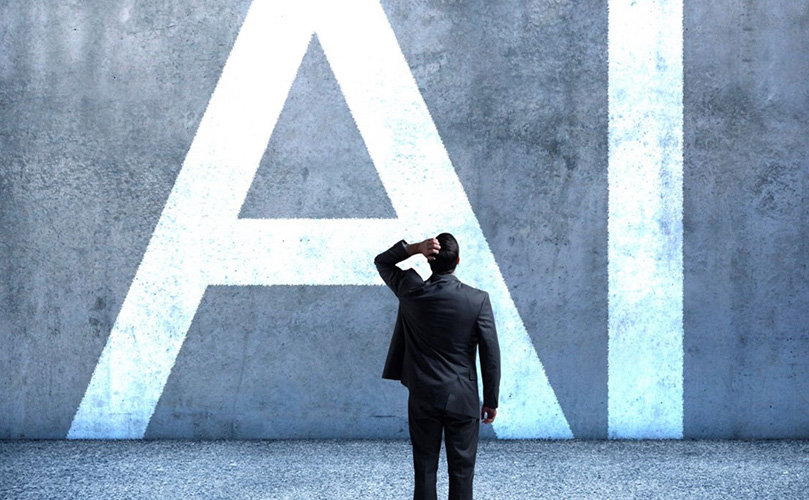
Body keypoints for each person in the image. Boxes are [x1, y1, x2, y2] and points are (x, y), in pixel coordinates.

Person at [375, 233, 501, 500]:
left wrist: (414, 248)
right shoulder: (478, 300)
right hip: (463, 397)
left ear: (429, 261)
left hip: (423, 396)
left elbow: (383, 262)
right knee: (462, 474)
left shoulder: (411, 291)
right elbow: (490, 354)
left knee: (424, 470)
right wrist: (490, 400)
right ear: (457, 261)